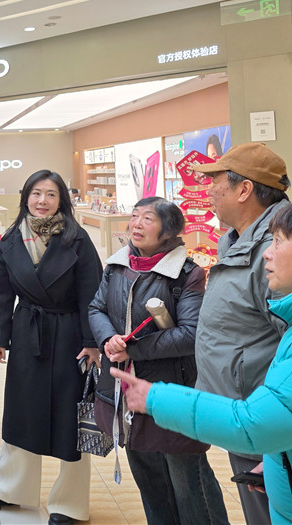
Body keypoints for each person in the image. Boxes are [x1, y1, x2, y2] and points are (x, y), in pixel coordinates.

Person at [113, 200, 292, 525]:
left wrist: (155, 397)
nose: (267, 254)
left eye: (279, 243)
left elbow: (253, 426)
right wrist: (279, 463)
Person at [88, 197, 229, 525]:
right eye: (135, 216)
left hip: (171, 391)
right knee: (149, 480)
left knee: (188, 482)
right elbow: (96, 308)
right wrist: (108, 338)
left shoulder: (186, 273)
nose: (136, 224)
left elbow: (190, 334)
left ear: (168, 230)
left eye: (148, 218)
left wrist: (133, 350)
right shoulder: (117, 266)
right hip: (125, 392)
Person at [0, 169, 102, 524]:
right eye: (36, 193)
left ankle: (69, 503)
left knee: (71, 419)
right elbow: (2, 293)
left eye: (51, 194)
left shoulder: (78, 239)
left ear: (61, 200)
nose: (42, 201)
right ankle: (9, 489)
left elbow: (92, 294)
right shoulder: (11, 239)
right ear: (25, 197)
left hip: (71, 336)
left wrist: (92, 342)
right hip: (28, 333)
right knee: (21, 412)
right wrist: (0, 337)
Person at [191, 142, 291, 524]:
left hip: (265, 423)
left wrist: (280, 440)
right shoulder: (238, 239)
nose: (209, 191)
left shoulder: (276, 250)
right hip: (243, 416)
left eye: (215, 182)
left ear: (244, 189)